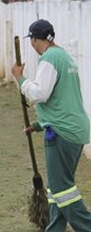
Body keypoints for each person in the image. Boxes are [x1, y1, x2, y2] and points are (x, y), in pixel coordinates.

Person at [12, 19, 91, 231]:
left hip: (62, 133)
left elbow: (40, 93)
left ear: (36, 39)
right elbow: (61, 98)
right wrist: (38, 124)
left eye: (32, 40)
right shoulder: (64, 56)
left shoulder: (49, 58)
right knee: (56, 190)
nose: (31, 45)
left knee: (62, 189)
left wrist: (20, 79)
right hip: (75, 128)